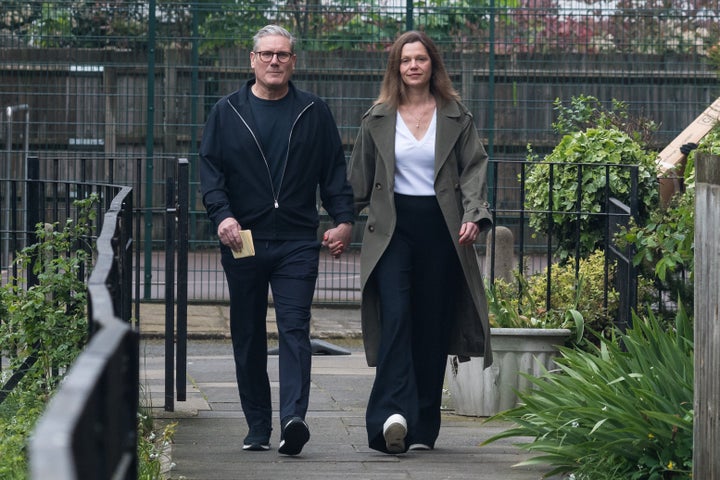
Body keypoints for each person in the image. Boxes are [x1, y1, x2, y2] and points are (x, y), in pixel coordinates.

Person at [199, 24, 354, 456]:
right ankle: (256, 427)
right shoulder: (226, 112)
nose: (274, 61)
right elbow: (211, 175)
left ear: (293, 62)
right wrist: (223, 216)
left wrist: (344, 221)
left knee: (294, 330)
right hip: (242, 241)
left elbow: (334, 174)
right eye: (266, 54)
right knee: (247, 334)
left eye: (282, 55)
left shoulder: (314, 112)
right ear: (252, 60)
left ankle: (293, 420)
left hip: (297, 242)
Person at [348, 30, 493, 454]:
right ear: (396, 67)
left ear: (433, 65)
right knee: (395, 316)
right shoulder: (378, 117)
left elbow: (473, 171)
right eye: (405, 60)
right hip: (392, 230)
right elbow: (356, 181)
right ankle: (389, 418)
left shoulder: (456, 115)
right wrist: (340, 222)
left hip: (442, 228)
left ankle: (424, 425)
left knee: (432, 323)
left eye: (421, 59)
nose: (413, 66)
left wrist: (474, 216)